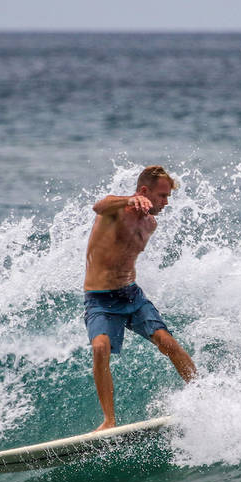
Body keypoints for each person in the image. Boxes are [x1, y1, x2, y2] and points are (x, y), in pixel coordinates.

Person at [83, 165, 197, 430]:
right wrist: (128, 199)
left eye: (168, 196)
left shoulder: (150, 223)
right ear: (144, 191)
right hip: (100, 300)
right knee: (100, 347)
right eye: (162, 195)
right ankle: (108, 420)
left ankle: (204, 393)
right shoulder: (113, 211)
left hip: (132, 296)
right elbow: (99, 205)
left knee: (167, 341)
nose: (166, 202)